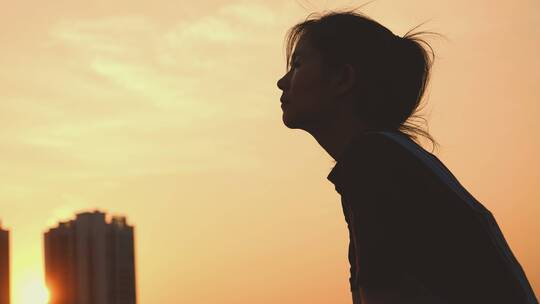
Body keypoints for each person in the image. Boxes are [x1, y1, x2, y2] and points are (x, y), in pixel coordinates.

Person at [276, 9, 538, 304]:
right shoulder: (384, 159)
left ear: (343, 79)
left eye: (297, 65)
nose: (282, 82)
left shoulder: (374, 163)